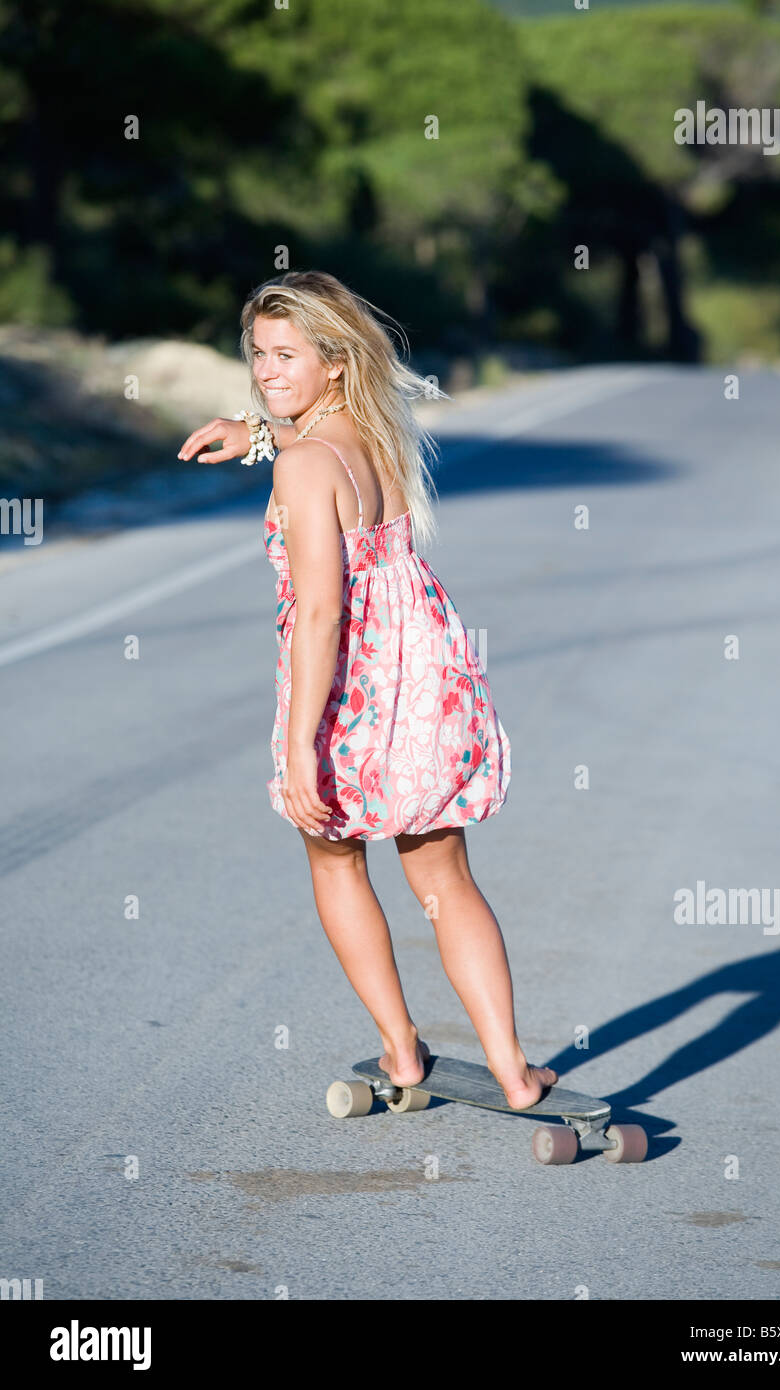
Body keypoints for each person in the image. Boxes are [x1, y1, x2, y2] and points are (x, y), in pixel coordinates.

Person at [178, 270, 556, 1110]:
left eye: (286, 355)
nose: (267, 372)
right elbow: (319, 444)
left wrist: (298, 749)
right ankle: (512, 1070)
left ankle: (402, 1052)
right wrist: (256, 432)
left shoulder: (306, 466)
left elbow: (319, 616)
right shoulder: (379, 434)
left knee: (335, 857)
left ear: (336, 362)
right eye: (258, 355)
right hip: (425, 671)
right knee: (446, 879)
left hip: (351, 687)